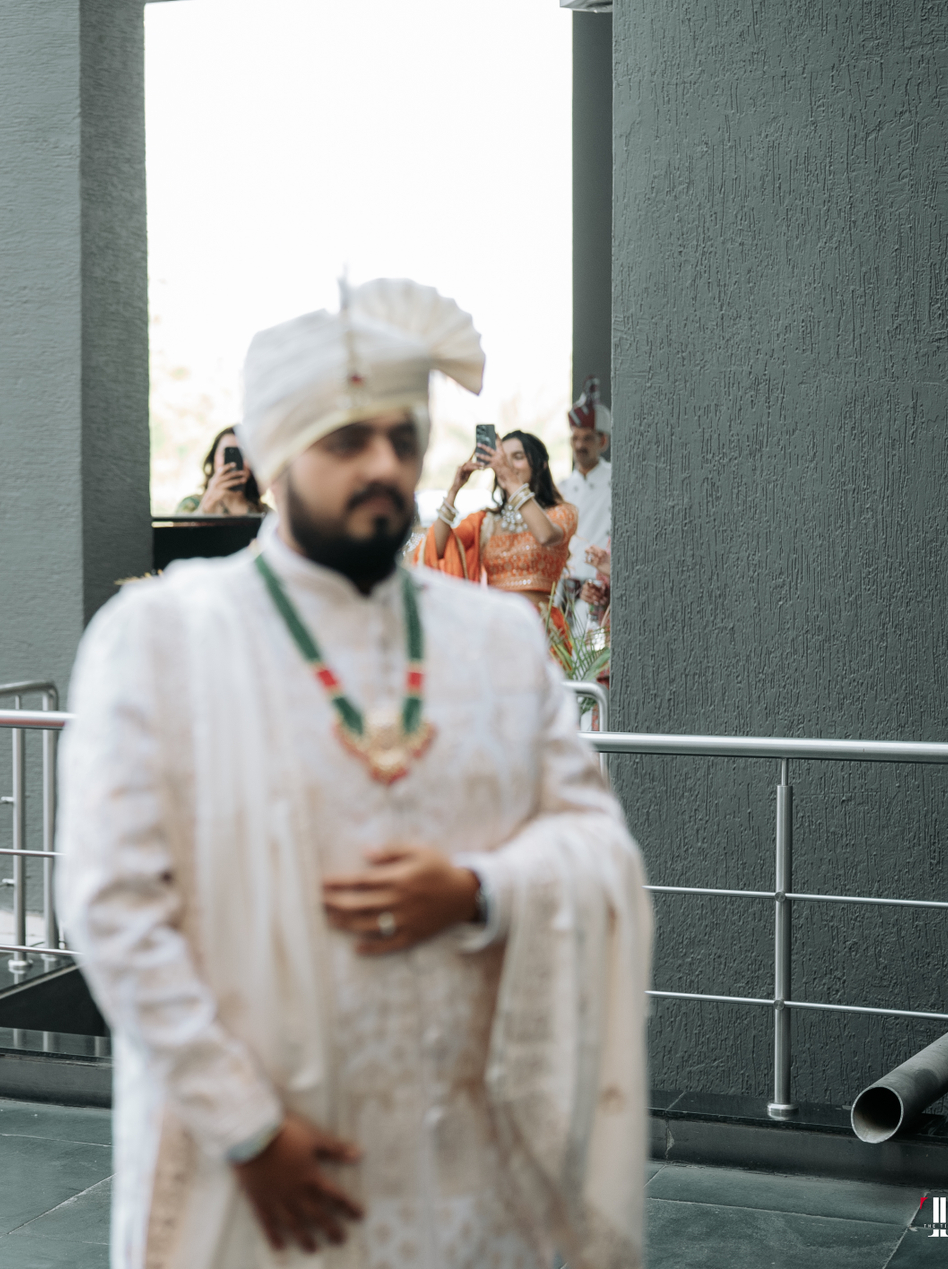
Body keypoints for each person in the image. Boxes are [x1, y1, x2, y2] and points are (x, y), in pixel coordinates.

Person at [59, 278, 650, 1269]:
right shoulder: (160, 637)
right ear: (276, 450)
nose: (384, 465)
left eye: (402, 437)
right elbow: (111, 905)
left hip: (464, 1170)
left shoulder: (497, 639)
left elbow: (595, 842)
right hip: (256, 1174)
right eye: (346, 440)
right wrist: (248, 1129)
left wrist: (477, 889)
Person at [416, 430, 578, 647]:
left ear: (540, 465)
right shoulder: (486, 521)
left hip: (541, 631)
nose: (506, 464)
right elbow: (436, 548)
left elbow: (545, 535)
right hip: (495, 631)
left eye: (517, 457)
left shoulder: (562, 513)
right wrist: (454, 490)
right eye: (502, 458)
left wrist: (509, 477)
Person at [560, 377, 614, 604]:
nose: (580, 446)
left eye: (587, 439)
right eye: (575, 439)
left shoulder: (616, 481)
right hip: (566, 587)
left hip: (601, 586)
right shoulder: (561, 488)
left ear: (603, 441)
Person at [176, 426, 269, 515]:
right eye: (226, 454)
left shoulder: (265, 512)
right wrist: (206, 507)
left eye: (242, 454)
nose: (233, 463)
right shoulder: (190, 504)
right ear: (213, 459)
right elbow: (179, 526)